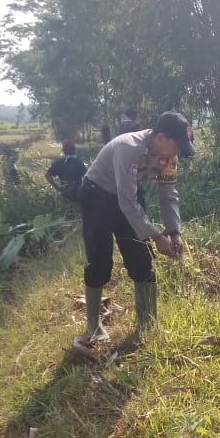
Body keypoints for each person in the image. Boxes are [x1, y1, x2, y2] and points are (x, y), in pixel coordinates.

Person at [77, 111, 195, 341]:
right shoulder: (128, 148)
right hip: (97, 196)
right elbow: (127, 202)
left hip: (127, 195)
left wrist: (174, 232)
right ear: (160, 137)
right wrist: (156, 236)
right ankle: (93, 324)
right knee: (100, 262)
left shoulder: (170, 157)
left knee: (141, 261)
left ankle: (147, 323)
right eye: (175, 146)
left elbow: (168, 195)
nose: (177, 153)